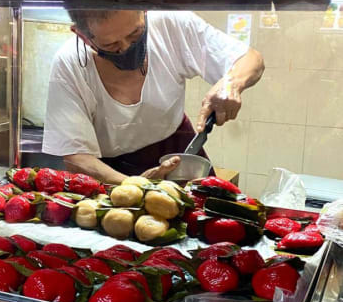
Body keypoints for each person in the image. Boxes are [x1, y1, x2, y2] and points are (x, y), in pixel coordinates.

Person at [42, 10, 265, 183]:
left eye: (135, 34)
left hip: (179, 152)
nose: (127, 47)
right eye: (111, 44)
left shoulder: (171, 24)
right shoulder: (69, 64)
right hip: (109, 174)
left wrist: (231, 83)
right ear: (81, 35)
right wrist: (136, 187)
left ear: (144, 12)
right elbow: (76, 156)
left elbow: (250, 58)